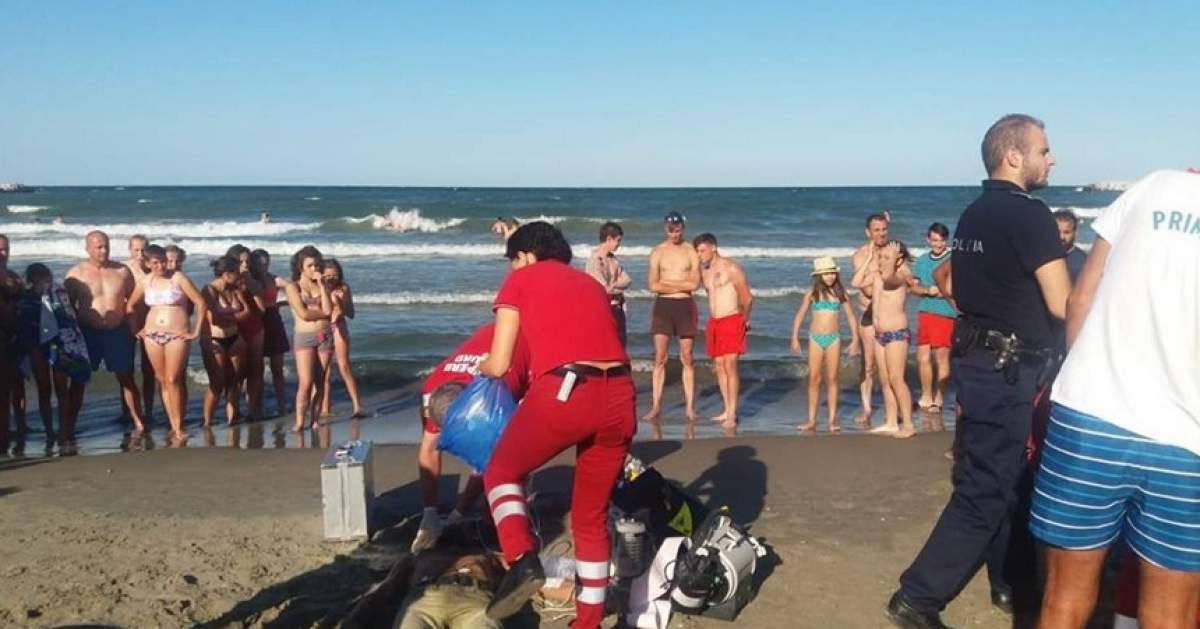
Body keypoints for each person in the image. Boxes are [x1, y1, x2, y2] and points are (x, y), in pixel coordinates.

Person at [887, 113, 1069, 628]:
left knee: (1008, 479)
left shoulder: (974, 214)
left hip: (980, 362)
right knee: (987, 490)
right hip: (1007, 371)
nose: (1051, 159)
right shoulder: (1030, 215)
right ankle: (917, 597)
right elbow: (1063, 303)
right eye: (1043, 150)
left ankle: (1011, 582)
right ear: (1014, 156)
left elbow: (953, 283)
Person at [1029, 169, 1200, 628]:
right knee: (1171, 616)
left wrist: (1079, 374)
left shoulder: (1151, 186)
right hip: (1187, 441)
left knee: (1063, 601)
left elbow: (1080, 299)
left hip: (1090, 416)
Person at [477, 222, 633, 627]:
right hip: (621, 395)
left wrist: (482, 367)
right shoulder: (591, 285)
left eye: (513, 260)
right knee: (590, 517)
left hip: (568, 389)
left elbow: (500, 361)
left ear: (526, 255)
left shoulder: (521, 280)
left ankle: (521, 559)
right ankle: (588, 621)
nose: (512, 268)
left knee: (501, 471)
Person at [412, 323, 531, 553]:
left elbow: (485, 461)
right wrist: (430, 514)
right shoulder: (431, 391)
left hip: (525, 346)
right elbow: (428, 449)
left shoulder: (492, 403)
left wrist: (459, 513)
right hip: (493, 335)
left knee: (510, 456)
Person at [344, 525, 508, 629]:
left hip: (474, 600)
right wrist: (356, 617)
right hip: (426, 600)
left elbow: (518, 572)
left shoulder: (486, 556)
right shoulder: (419, 557)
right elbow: (387, 588)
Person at [64, 231, 146, 433]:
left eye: (106, 246)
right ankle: (69, 426)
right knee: (78, 380)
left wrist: (133, 328)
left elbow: (132, 301)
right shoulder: (75, 274)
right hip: (87, 333)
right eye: (99, 247)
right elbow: (67, 306)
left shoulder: (122, 271)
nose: (103, 251)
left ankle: (138, 421)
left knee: (126, 378)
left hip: (117, 332)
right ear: (88, 248)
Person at [126, 245, 207, 443]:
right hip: (152, 335)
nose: (161, 266)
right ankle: (172, 424)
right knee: (162, 379)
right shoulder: (145, 281)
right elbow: (130, 305)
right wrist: (136, 329)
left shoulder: (178, 278)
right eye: (155, 263)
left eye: (163, 261)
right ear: (147, 264)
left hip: (176, 334)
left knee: (173, 378)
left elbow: (201, 303)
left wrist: (196, 330)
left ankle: (179, 427)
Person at [16, 263, 91, 454]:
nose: (45, 282)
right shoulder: (25, 298)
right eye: (40, 279)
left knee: (61, 389)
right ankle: (50, 430)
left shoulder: (58, 294)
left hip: (59, 344)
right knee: (44, 389)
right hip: (36, 346)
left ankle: (64, 430)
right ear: (31, 280)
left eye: (47, 278)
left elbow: (69, 318)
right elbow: (23, 325)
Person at [854, 240, 916, 438]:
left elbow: (890, 277)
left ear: (899, 259)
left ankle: (908, 425)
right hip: (879, 335)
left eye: (886, 257)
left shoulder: (901, 275)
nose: (882, 261)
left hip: (896, 333)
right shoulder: (878, 275)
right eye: (881, 257)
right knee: (884, 379)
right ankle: (891, 422)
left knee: (896, 379)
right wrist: (869, 260)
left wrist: (893, 258)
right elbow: (856, 283)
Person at [791, 256, 860, 433]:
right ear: (818, 276)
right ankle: (811, 420)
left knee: (833, 378)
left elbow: (851, 317)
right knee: (814, 378)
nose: (830, 276)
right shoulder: (812, 294)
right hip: (815, 339)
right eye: (826, 273)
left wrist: (855, 340)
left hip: (833, 339)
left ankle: (832, 420)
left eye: (832, 273)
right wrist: (795, 338)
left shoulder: (840, 294)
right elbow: (799, 316)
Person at [643, 211, 701, 422]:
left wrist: (667, 284)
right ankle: (656, 406)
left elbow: (695, 284)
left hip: (685, 305)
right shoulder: (658, 251)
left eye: (677, 230)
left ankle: (690, 408)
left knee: (687, 357)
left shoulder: (690, 251)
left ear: (682, 229)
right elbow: (652, 285)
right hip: (664, 306)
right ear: (664, 228)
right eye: (670, 230)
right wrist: (680, 285)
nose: (674, 234)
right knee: (660, 358)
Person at [693, 233, 752, 427]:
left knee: (730, 365)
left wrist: (745, 319)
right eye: (697, 251)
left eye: (702, 250)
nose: (699, 254)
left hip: (732, 319)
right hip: (714, 322)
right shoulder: (705, 271)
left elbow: (747, 298)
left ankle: (732, 414)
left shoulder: (731, 268)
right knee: (719, 366)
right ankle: (726, 409)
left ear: (714, 248)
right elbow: (711, 295)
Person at [286, 245, 333, 431]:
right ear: (300, 267)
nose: (315, 269)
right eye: (310, 266)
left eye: (317, 265)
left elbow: (329, 310)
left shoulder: (323, 285)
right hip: (304, 336)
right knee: (305, 382)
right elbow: (304, 314)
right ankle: (299, 421)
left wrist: (321, 286)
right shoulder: (293, 287)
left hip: (324, 335)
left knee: (320, 381)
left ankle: (314, 419)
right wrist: (322, 313)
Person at [200, 256, 250, 426]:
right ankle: (207, 421)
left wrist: (230, 319)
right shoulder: (209, 290)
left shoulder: (234, 289)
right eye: (237, 272)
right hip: (215, 339)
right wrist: (234, 317)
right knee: (216, 383)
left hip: (234, 337)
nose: (239, 275)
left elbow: (247, 312)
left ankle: (232, 420)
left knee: (233, 381)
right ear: (227, 274)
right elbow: (215, 319)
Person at [851, 213, 890, 427]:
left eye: (884, 229)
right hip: (868, 317)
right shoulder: (861, 255)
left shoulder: (892, 252)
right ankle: (866, 408)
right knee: (868, 365)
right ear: (868, 232)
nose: (881, 233)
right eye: (877, 230)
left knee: (889, 365)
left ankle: (890, 406)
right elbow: (865, 289)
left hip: (890, 315)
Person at [912, 223, 955, 413]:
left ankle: (939, 398)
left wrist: (943, 291)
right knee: (922, 357)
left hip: (945, 313)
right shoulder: (922, 260)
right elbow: (913, 286)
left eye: (942, 240)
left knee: (941, 358)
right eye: (935, 240)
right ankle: (926, 396)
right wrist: (927, 290)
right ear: (928, 240)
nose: (938, 244)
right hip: (925, 312)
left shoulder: (952, 259)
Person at [319, 258, 365, 418]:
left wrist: (341, 303)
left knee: (344, 366)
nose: (331, 279)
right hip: (323, 327)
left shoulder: (343, 288)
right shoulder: (318, 287)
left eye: (335, 275)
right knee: (324, 371)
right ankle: (325, 408)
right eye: (328, 275)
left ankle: (357, 406)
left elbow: (351, 314)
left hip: (339, 326)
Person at [228, 244, 267, 421]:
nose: (244, 265)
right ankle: (234, 411)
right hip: (235, 328)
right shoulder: (227, 282)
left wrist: (249, 283)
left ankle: (253, 409)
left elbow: (262, 308)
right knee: (235, 373)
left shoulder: (254, 282)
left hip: (254, 327)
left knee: (255, 369)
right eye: (240, 262)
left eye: (247, 261)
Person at [250, 249, 291, 417]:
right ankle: (255, 406)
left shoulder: (274, 279)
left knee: (277, 368)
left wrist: (284, 303)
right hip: (255, 322)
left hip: (273, 322)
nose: (262, 266)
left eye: (265, 263)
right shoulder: (249, 281)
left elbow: (293, 287)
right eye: (259, 263)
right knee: (255, 370)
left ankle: (281, 404)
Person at [124, 234, 157, 422]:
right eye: (136, 250)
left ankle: (149, 411)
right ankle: (127, 412)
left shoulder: (154, 268)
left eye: (143, 250)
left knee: (149, 370)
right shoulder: (124, 269)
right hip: (128, 323)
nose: (140, 254)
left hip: (149, 323)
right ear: (130, 250)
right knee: (126, 370)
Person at [584, 221, 632, 346]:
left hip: (617, 308)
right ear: (609, 239)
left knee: (620, 345)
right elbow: (603, 289)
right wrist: (615, 285)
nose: (619, 244)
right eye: (618, 240)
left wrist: (613, 286)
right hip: (602, 309)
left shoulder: (613, 259)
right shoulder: (595, 261)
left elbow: (627, 280)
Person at [0, 235, 21, 453]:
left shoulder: (13, 277)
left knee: (5, 391)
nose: (3, 254)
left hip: (9, 340)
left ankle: (4, 437)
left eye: (6, 249)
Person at [1053, 208, 1087, 282]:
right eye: (1057, 232)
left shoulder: (1084, 262)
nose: (1061, 237)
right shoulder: (1043, 257)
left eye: (1066, 232)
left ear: (1075, 233)